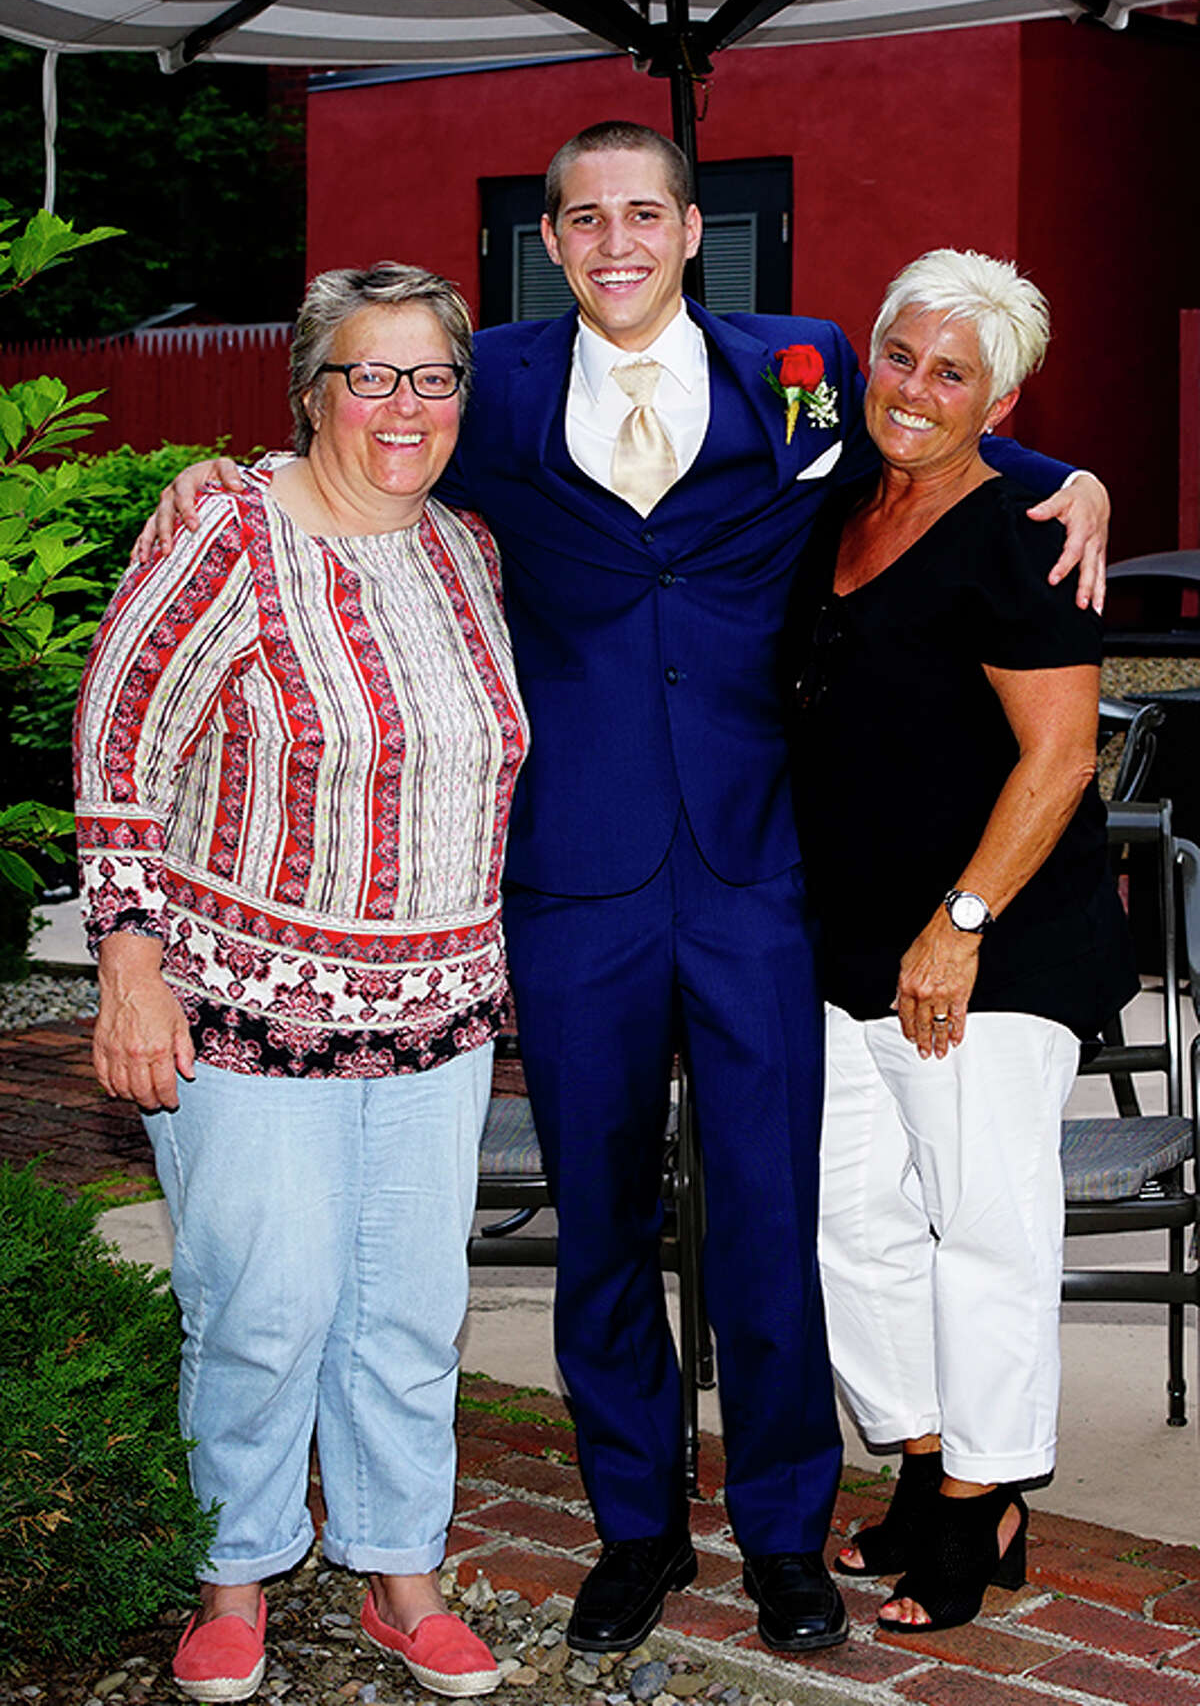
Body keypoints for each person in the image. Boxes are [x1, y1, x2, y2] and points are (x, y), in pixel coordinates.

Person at [139, 123, 1109, 1658]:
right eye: (584, 219)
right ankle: (638, 1528)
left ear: (689, 226)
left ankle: (787, 1534)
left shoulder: (791, 361)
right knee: (600, 1224)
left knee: (774, 1221)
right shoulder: (493, 383)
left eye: (643, 212)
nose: (616, 240)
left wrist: (1074, 480)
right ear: (550, 242)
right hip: (568, 880)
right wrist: (233, 471)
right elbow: (357, 443)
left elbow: (930, 443)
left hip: (753, 873)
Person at [76, 262, 528, 1702]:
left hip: (440, 1017)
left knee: (404, 1311)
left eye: (432, 375)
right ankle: (235, 1574)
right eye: (369, 374)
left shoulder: (468, 551)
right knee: (261, 1306)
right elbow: (118, 753)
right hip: (246, 1012)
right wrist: (131, 973)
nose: (404, 405)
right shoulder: (231, 531)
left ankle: (401, 1571)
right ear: (310, 392)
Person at [787, 249, 1138, 1634]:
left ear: (997, 393)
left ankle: (989, 1494)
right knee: (848, 1224)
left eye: (954, 371)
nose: (915, 390)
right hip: (839, 936)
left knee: (983, 1229)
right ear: (867, 355)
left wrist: (960, 923)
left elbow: (1057, 762)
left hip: (991, 946)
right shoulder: (829, 497)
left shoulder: (1029, 528)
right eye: (900, 356)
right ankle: (925, 1460)